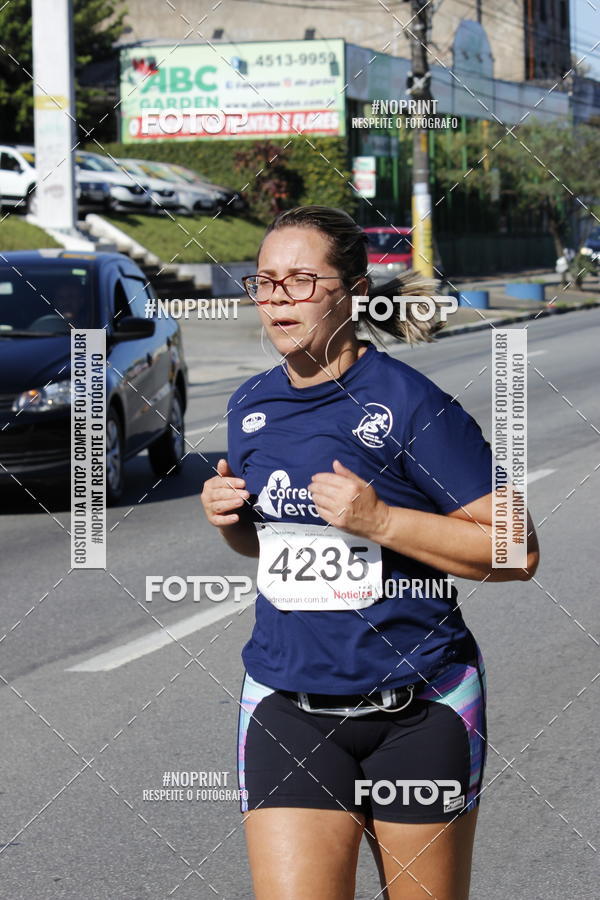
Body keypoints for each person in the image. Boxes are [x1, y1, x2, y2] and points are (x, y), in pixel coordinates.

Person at [200, 206, 540, 900]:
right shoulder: (249, 405)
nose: (276, 300)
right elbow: (269, 545)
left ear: (351, 292)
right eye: (264, 282)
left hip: (418, 710)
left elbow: (517, 550)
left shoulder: (412, 405)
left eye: (299, 281)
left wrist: (380, 519)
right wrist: (230, 521)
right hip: (288, 706)